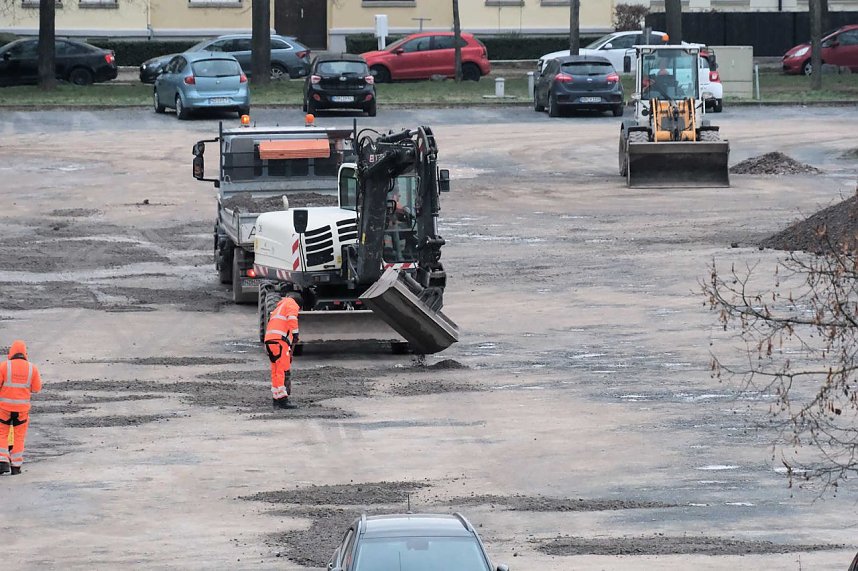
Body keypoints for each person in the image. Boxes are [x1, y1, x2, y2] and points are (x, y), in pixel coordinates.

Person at [0, 340, 42, 475]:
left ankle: (2, 461)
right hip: (22, 410)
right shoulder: (32, 368)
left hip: (4, 408)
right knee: (19, 436)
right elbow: (36, 389)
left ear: (11, 352)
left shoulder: (4, 366)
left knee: (2, 433)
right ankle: (16, 466)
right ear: (25, 353)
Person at [264, 294, 300, 410]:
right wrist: (295, 334)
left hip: (269, 340)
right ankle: (283, 399)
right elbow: (292, 318)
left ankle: (276, 397)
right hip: (279, 341)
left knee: (275, 369)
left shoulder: (278, 307)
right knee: (281, 370)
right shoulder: (291, 303)